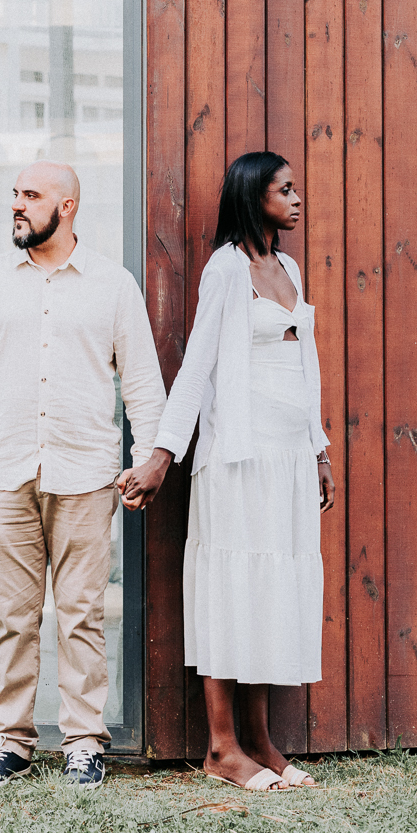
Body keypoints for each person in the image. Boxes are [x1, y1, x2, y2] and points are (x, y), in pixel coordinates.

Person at [0, 161, 167, 790]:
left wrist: (149, 458)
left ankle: (83, 743)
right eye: (14, 194)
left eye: (30, 196)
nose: (17, 205)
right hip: (5, 473)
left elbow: (143, 383)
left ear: (66, 207)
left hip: (86, 475)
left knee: (81, 615)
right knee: (14, 618)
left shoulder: (112, 285)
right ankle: (10, 742)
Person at [120, 152, 334, 793]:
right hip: (237, 459)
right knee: (232, 589)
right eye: (285, 190)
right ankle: (221, 746)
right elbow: (197, 368)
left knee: (271, 592)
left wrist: (318, 450)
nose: (298, 199)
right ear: (252, 197)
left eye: (296, 188)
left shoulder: (288, 266)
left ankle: (263, 743)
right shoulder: (225, 270)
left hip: (288, 458)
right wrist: (162, 456)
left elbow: (307, 367)